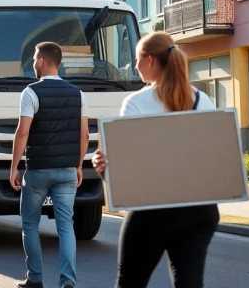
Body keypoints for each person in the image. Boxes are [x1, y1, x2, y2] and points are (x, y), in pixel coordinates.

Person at [92, 31, 218, 287]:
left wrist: (103, 168)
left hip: (153, 208)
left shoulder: (137, 102)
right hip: (200, 209)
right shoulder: (202, 100)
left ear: (149, 60)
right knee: (190, 284)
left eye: (137, 59)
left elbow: (129, 168)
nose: (135, 65)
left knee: (130, 282)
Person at [10, 41, 89, 288]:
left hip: (38, 171)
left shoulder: (30, 92)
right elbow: (84, 134)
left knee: (30, 224)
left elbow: (23, 132)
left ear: (42, 61)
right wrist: (78, 165)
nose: (34, 63)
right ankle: (67, 282)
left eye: (35, 58)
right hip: (67, 170)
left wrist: (14, 167)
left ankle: (35, 278)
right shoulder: (77, 93)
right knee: (66, 226)